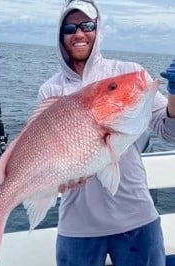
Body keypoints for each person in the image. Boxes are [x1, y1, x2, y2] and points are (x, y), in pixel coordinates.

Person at [37, 1, 175, 265]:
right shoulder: (50, 91)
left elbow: (169, 132)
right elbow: (48, 152)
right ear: (60, 35)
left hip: (136, 217)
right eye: (69, 27)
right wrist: (57, 179)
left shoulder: (129, 74)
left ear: (98, 29)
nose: (79, 34)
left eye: (87, 25)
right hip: (77, 226)